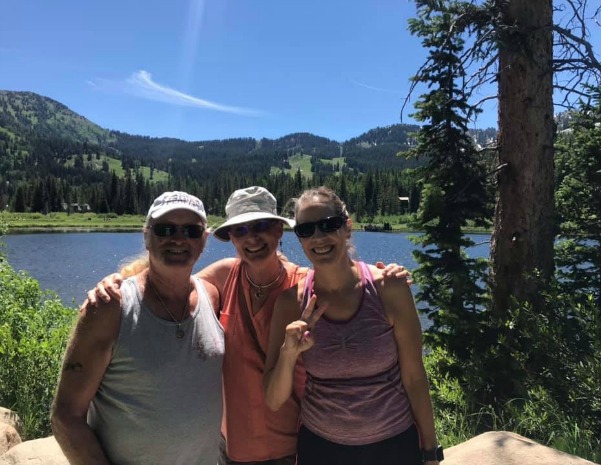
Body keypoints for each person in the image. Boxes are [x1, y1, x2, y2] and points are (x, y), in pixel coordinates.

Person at [87, 186, 410, 465]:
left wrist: (386, 274)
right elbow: (167, 286)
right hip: (232, 450)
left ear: (279, 231)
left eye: (261, 226)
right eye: (240, 230)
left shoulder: (305, 288)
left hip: (293, 447)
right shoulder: (224, 276)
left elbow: (349, 284)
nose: (251, 237)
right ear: (230, 238)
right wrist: (119, 282)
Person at [263, 186, 441, 465]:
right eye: (306, 229)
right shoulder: (290, 303)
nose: (318, 237)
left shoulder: (389, 288)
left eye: (329, 225)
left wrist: (431, 451)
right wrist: (289, 354)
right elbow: (274, 400)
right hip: (321, 449)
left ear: (347, 227)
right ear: (298, 238)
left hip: (393, 445)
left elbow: (414, 377)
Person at [51, 191, 225, 465]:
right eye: (165, 229)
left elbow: (254, 267)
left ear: (204, 240)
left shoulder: (212, 296)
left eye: (191, 230)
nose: (178, 238)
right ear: (146, 236)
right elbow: (65, 417)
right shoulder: (110, 308)